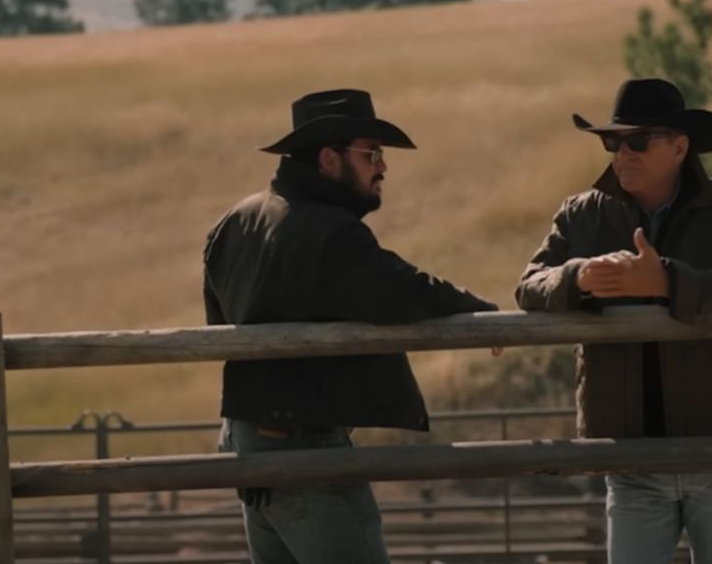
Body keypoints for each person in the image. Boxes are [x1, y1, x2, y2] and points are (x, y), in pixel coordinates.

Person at [204, 88, 498, 564]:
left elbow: (218, 326)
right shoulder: (329, 231)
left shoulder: (234, 222)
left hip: (245, 440)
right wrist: (481, 313)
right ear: (327, 158)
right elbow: (401, 291)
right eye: (371, 154)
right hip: (304, 446)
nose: (382, 167)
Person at [515, 78, 712, 564]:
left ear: (680, 147)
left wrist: (667, 283)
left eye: (638, 141)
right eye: (613, 142)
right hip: (630, 454)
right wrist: (580, 279)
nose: (623, 153)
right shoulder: (580, 216)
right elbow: (529, 284)